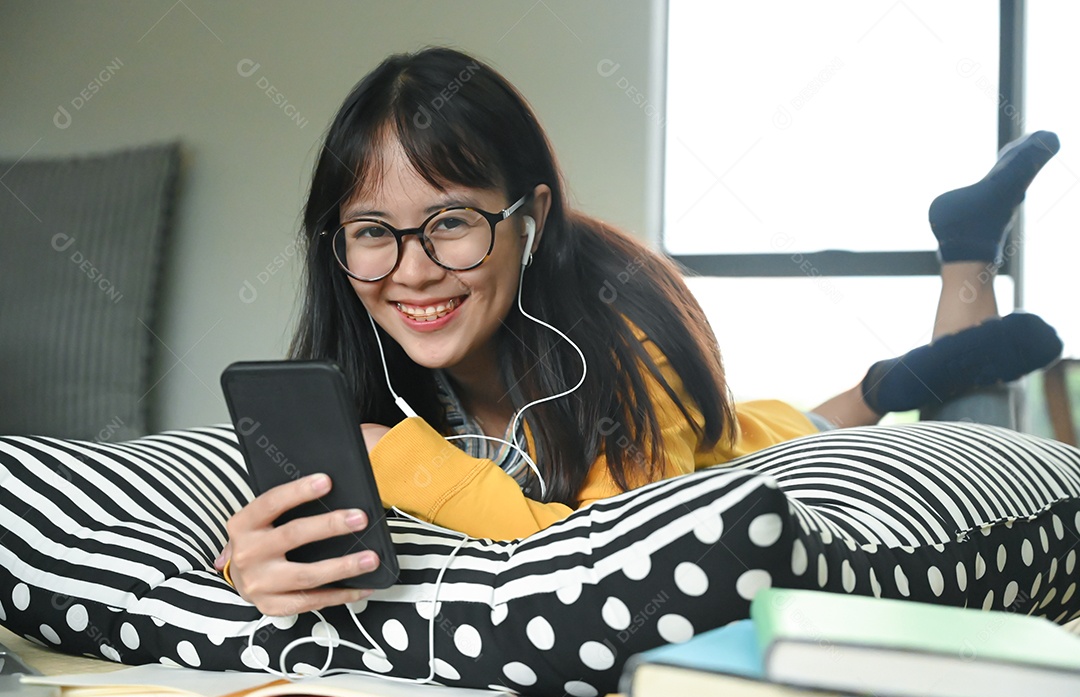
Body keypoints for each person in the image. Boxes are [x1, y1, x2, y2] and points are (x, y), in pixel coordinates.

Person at [217, 47, 1062, 616]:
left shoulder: (624, 337)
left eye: (451, 222)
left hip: (747, 449)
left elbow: (617, 551)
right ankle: (891, 373)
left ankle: (964, 264)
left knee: (959, 428)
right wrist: (253, 563)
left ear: (529, 217)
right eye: (373, 230)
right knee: (846, 401)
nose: (412, 270)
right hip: (758, 419)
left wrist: (400, 455)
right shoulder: (355, 366)